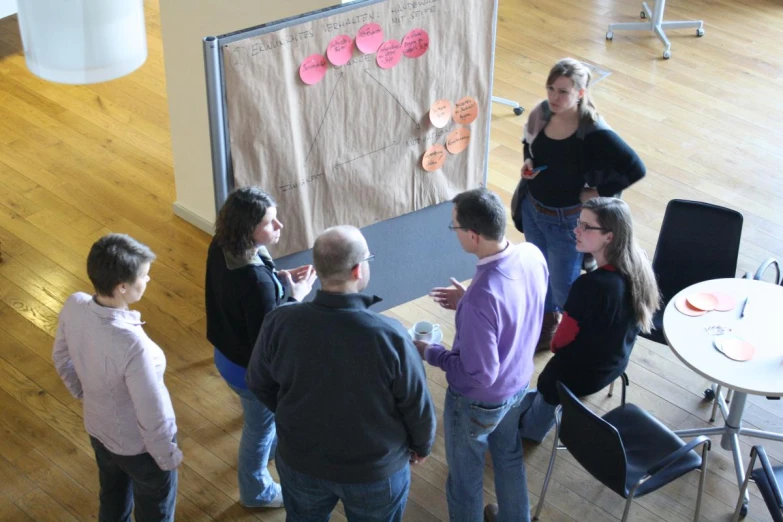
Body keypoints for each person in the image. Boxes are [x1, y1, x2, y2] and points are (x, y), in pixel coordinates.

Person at [246, 225, 436, 522]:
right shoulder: (390, 335)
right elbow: (416, 404)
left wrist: (290, 412)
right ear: (358, 269)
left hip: (300, 462)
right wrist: (422, 444)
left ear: (318, 269)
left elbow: (258, 382)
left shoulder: (279, 321)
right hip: (375, 471)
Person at [416, 188, 549, 522]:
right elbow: (518, 308)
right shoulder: (532, 254)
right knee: (508, 456)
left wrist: (430, 352)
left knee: (464, 479)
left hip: (478, 402)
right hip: (518, 383)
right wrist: (469, 300)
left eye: (454, 226)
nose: (454, 232)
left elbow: (479, 373)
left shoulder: (482, 298)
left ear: (473, 236)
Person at [511, 57, 646, 351]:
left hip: (566, 221)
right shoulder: (541, 112)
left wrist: (599, 191)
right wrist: (528, 162)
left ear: (580, 93)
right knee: (538, 271)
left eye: (563, 92)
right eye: (551, 89)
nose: (554, 98)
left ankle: (571, 334)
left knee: (564, 286)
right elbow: (528, 142)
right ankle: (547, 325)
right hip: (533, 209)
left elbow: (636, 167)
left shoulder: (594, 132)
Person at [53, 233, 182, 522]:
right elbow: (152, 410)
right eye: (144, 276)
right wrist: (165, 457)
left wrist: (84, 393)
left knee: (112, 494)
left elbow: (61, 359)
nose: (148, 280)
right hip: (139, 447)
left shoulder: (74, 304)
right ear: (123, 287)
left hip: (98, 429)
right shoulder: (131, 344)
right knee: (154, 511)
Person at [205, 187, 316, 508]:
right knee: (259, 431)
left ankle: (266, 457)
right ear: (247, 229)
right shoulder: (256, 283)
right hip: (249, 373)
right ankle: (255, 491)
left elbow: (243, 299)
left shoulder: (221, 245)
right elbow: (272, 335)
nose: (280, 226)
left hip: (225, 352)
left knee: (260, 423)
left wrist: (279, 280)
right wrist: (296, 295)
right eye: (270, 222)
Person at [519, 197, 661, 443]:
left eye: (586, 226)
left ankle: (534, 422)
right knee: (528, 398)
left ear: (609, 236)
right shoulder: (637, 266)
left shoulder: (589, 286)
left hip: (575, 378)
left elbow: (557, 344)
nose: (576, 230)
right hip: (613, 365)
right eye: (578, 222)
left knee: (527, 425)